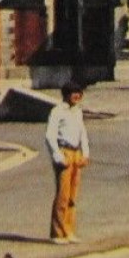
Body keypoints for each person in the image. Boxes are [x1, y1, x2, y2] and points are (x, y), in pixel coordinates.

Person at [44, 82, 90, 244]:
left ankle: (69, 230)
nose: (77, 96)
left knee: (72, 195)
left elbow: (82, 132)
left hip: (76, 152)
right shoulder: (57, 111)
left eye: (79, 93)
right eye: (74, 93)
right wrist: (58, 156)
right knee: (62, 194)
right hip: (64, 152)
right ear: (66, 94)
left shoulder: (77, 112)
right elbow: (50, 136)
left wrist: (85, 153)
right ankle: (57, 233)